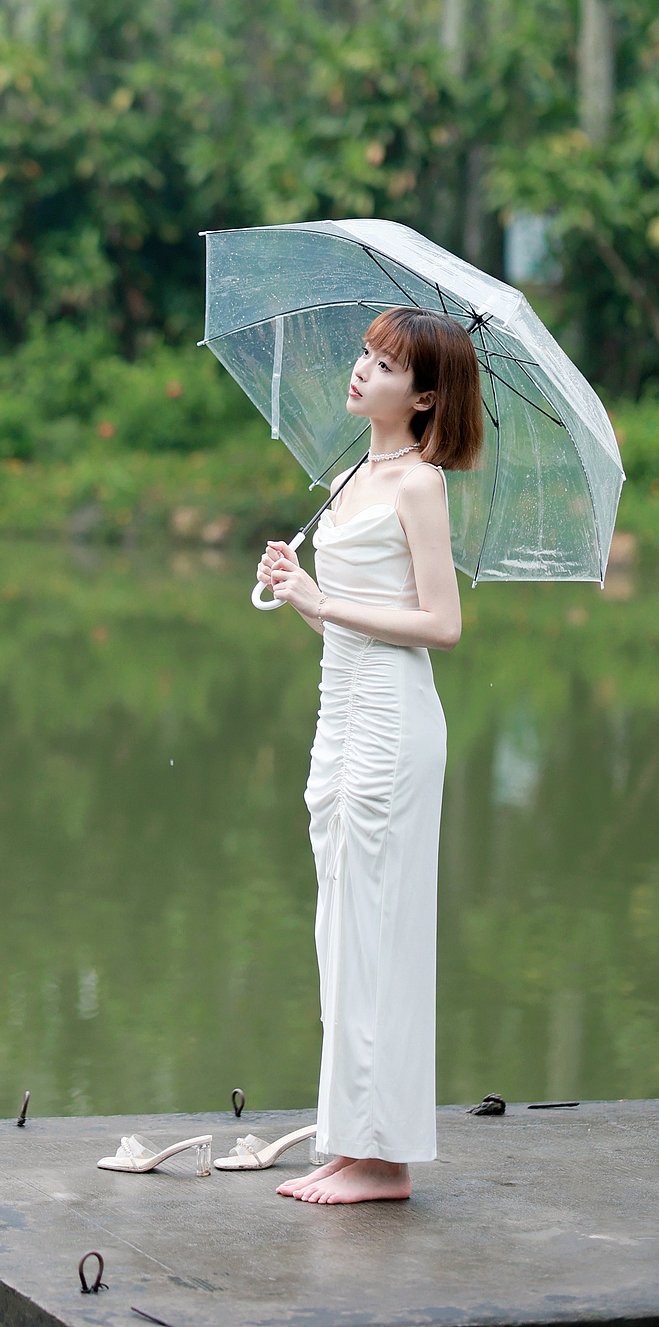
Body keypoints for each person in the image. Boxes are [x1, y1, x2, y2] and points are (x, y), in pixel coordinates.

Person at [256, 306, 484, 1205]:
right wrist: (297, 591)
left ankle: (387, 1160)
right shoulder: (352, 474)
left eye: (386, 365)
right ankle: (354, 1142)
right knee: (342, 928)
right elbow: (346, 624)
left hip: (393, 722)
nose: (361, 370)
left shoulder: (420, 484)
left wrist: (324, 598)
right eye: (366, 355)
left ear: (424, 397)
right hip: (340, 712)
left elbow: (441, 625)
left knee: (380, 927)